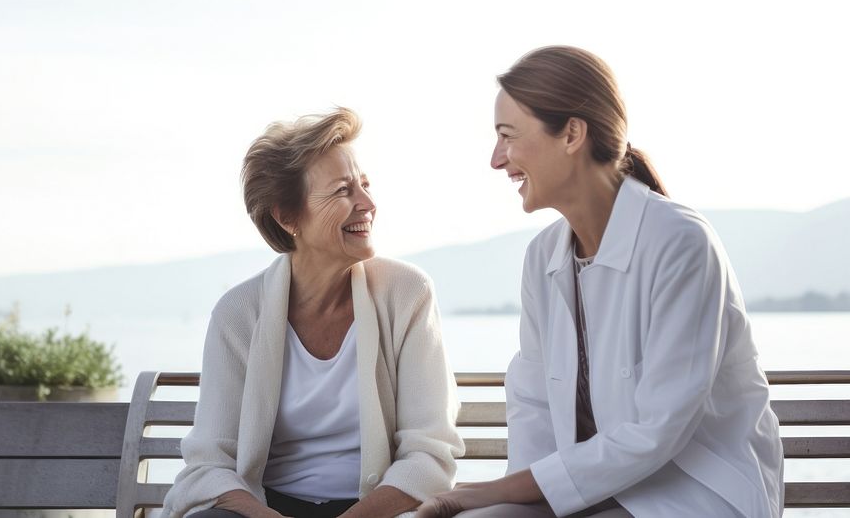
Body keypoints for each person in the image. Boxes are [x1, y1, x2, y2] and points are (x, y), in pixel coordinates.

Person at [417, 46, 783, 518]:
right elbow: (533, 404)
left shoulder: (681, 242)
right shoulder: (542, 258)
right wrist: (512, 499)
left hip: (690, 490)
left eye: (507, 136)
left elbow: (658, 429)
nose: (495, 159)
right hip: (590, 493)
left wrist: (493, 491)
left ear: (571, 133)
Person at [163, 107, 464, 518]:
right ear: (288, 217)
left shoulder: (407, 293)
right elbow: (210, 463)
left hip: (376, 510)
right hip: (264, 509)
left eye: (365, 185)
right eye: (344, 191)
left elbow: (429, 454)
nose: (368, 203)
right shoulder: (238, 313)